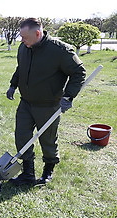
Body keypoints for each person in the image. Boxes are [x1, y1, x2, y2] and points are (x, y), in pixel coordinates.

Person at [6, 18, 86, 186]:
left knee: (48, 140)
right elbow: (21, 68)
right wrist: (13, 85)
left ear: (37, 33)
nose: (21, 40)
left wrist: (68, 96)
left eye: (24, 37)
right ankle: (28, 173)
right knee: (22, 137)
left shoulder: (60, 50)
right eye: (21, 37)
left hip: (48, 105)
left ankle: (48, 171)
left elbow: (79, 72)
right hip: (26, 103)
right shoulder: (24, 47)